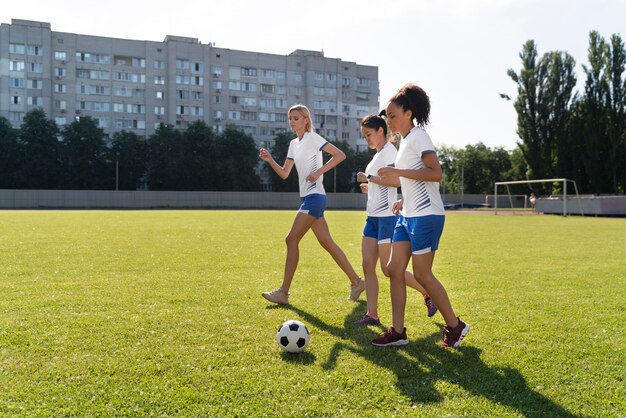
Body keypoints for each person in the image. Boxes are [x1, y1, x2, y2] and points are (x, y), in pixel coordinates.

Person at [372, 84, 470, 348]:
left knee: (423, 274)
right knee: (393, 270)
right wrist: (403, 200)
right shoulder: (405, 143)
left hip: (427, 216)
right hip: (408, 215)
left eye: (392, 116)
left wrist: (399, 174)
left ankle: (455, 326)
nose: (388, 121)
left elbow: (435, 173)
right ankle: (398, 332)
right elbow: (416, 179)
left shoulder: (419, 136)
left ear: (408, 113)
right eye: (387, 117)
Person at [259, 104, 365, 305]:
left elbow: (340, 155)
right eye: (290, 118)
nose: (292, 121)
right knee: (327, 243)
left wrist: (319, 172)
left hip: (315, 197)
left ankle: (283, 292)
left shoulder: (313, 138)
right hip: (306, 198)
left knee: (291, 239)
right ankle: (357, 282)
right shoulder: (293, 144)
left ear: (306, 120)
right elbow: (284, 173)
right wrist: (270, 159)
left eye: (296, 118)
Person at [353, 114, 438, 326]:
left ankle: (428, 293)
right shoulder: (378, 155)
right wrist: (369, 187)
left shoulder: (391, 152)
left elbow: (395, 181)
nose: (367, 140)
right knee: (366, 265)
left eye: (369, 134)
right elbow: (383, 183)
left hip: (387, 218)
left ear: (381, 131)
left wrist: (369, 178)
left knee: (389, 269)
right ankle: (372, 314)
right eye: (364, 136)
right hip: (372, 217)